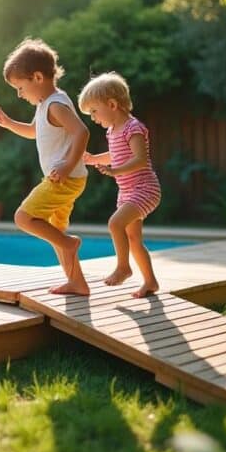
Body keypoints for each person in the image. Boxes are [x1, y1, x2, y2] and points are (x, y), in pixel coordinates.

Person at [0, 38, 91, 295]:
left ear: (37, 77)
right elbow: (35, 131)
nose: (19, 94)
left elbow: (82, 132)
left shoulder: (56, 104)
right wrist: (8, 123)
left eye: (20, 87)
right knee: (55, 230)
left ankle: (69, 245)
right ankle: (77, 282)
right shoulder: (47, 104)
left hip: (63, 179)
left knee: (23, 218)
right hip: (66, 178)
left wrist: (67, 165)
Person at [78, 72, 162, 298]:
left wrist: (114, 170)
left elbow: (140, 159)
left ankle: (124, 267)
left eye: (94, 111)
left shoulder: (132, 127)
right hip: (126, 192)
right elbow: (115, 154)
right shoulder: (112, 131)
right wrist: (95, 158)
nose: (93, 118)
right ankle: (150, 282)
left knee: (115, 224)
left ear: (112, 104)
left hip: (145, 189)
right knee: (134, 240)